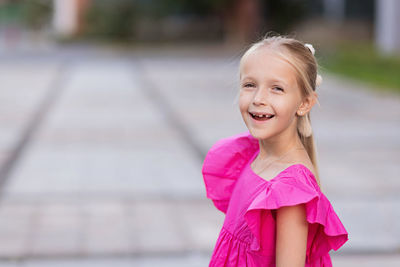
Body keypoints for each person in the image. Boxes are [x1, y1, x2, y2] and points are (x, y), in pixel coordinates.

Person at [201, 34, 349, 266]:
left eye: (277, 88)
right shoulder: (250, 152)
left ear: (304, 103)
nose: (259, 98)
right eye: (249, 85)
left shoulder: (291, 190)